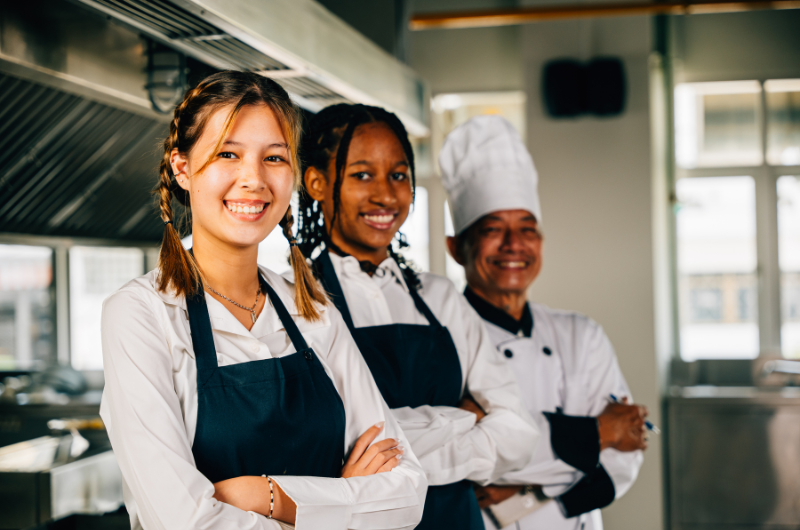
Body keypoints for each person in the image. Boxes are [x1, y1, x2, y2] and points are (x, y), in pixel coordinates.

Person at [99, 72, 427, 530]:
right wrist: (341, 503)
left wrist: (265, 496)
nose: (253, 179)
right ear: (182, 168)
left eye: (274, 157)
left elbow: (407, 494)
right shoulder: (142, 315)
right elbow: (186, 523)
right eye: (227, 154)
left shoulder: (310, 307)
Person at [296, 103, 540, 530]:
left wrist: (391, 458)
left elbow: (519, 433)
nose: (386, 195)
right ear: (317, 182)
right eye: (362, 174)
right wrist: (462, 418)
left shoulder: (440, 297)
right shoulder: (296, 300)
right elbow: (321, 449)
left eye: (399, 175)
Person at [440, 115, 647, 530]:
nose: (513, 244)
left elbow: (625, 456)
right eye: (493, 229)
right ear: (456, 248)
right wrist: (596, 432)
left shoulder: (581, 335)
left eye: (527, 229)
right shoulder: (440, 340)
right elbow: (451, 452)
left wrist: (523, 494)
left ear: (540, 243)